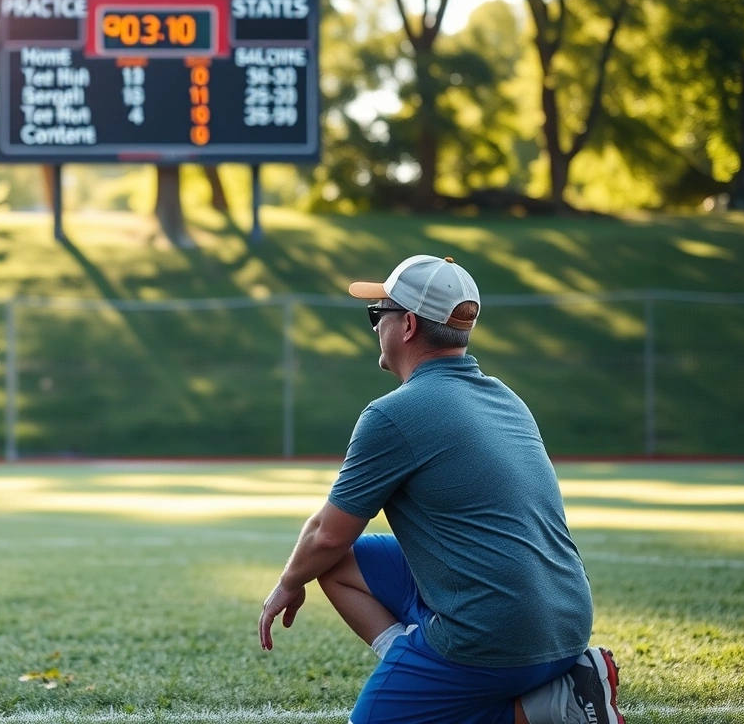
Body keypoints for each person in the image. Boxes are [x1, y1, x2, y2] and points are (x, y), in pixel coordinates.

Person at [257, 255, 624, 724]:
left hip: (496, 638)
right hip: (567, 622)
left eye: (378, 315)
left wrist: (288, 583)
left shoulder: (393, 414)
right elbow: (333, 551)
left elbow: (326, 534)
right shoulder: (505, 396)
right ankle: (425, 662)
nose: (374, 328)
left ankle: (548, 708)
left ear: (407, 325)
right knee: (341, 563)